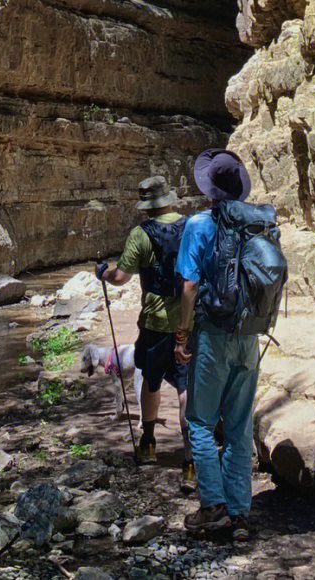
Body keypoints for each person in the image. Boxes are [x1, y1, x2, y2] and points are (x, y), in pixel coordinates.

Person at [174, 148, 258, 541]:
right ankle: (240, 513)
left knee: (200, 422)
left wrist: (182, 335)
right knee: (240, 426)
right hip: (249, 334)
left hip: (213, 334)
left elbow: (189, 285)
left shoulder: (198, 225)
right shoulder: (256, 226)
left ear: (208, 190)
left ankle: (214, 508)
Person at [96, 174, 192, 476]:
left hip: (155, 324)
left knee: (151, 382)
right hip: (188, 321)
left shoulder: (140, 234)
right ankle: (191, 456)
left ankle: (149, 444)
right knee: (185, 387)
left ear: (147, 206)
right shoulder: (191, 226)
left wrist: (103, 274)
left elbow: (121, 277)